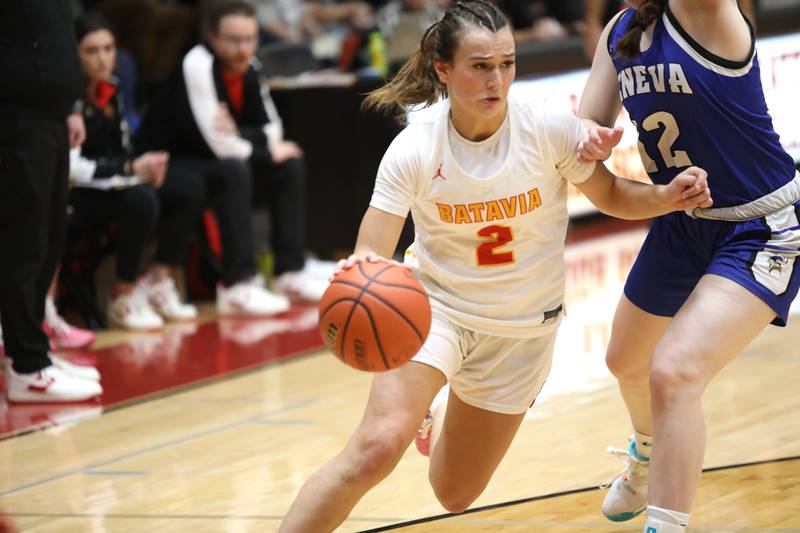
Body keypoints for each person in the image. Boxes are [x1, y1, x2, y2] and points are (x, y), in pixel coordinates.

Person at [278, 2, 713, 531]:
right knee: (375, 448)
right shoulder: (415, 147)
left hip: (522, 332)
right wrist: (356, 278)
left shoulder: (549, 128)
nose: (497, 79)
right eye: (480, 66)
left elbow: (610, 195)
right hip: (433, 312)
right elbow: (373, 254)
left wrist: (665, 196)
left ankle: (437, 412)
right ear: (443, 69)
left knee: (454, 493)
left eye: (506, 63)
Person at [577, 1, 800, 531]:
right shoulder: (621, 28)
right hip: (682, 218)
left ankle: (666, 525)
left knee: (675, 371)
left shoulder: (706, 12)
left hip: (760, 225)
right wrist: (587, 137)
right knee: (626, 360)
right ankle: (647, 456)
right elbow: (588, 121)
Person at [135, 1, 330, 314]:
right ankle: (237, 284)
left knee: (288, 163)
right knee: (233, 168)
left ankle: (289, 271)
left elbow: (274, 129)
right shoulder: (197, 64)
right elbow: (220, 146)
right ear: (212, 38)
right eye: (234, 40)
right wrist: (258, 144)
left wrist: (239, 132)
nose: (244, 48)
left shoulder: (251, 66)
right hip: (165, 164)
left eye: (250, 39)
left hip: (211, 161)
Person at [70, 11, 200, 331]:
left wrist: (145, 167)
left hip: (112, 181)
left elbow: (123, 149)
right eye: (91, 51)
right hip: (77, 194)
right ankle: (122, 294)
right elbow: (72, 169)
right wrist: (130, 170)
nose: (102, 59)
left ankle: (158, 279)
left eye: (108, 49)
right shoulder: (67, 102)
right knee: (141, 200)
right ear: (73, 55)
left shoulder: (112, 89)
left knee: (188, 186)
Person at [0, 1, 103, 402]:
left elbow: (56, 36)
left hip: (52, 117)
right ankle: (26, 365)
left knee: (48, 240)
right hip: (15, 119)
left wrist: (71, 106)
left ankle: (36, 352)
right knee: (23, 245)